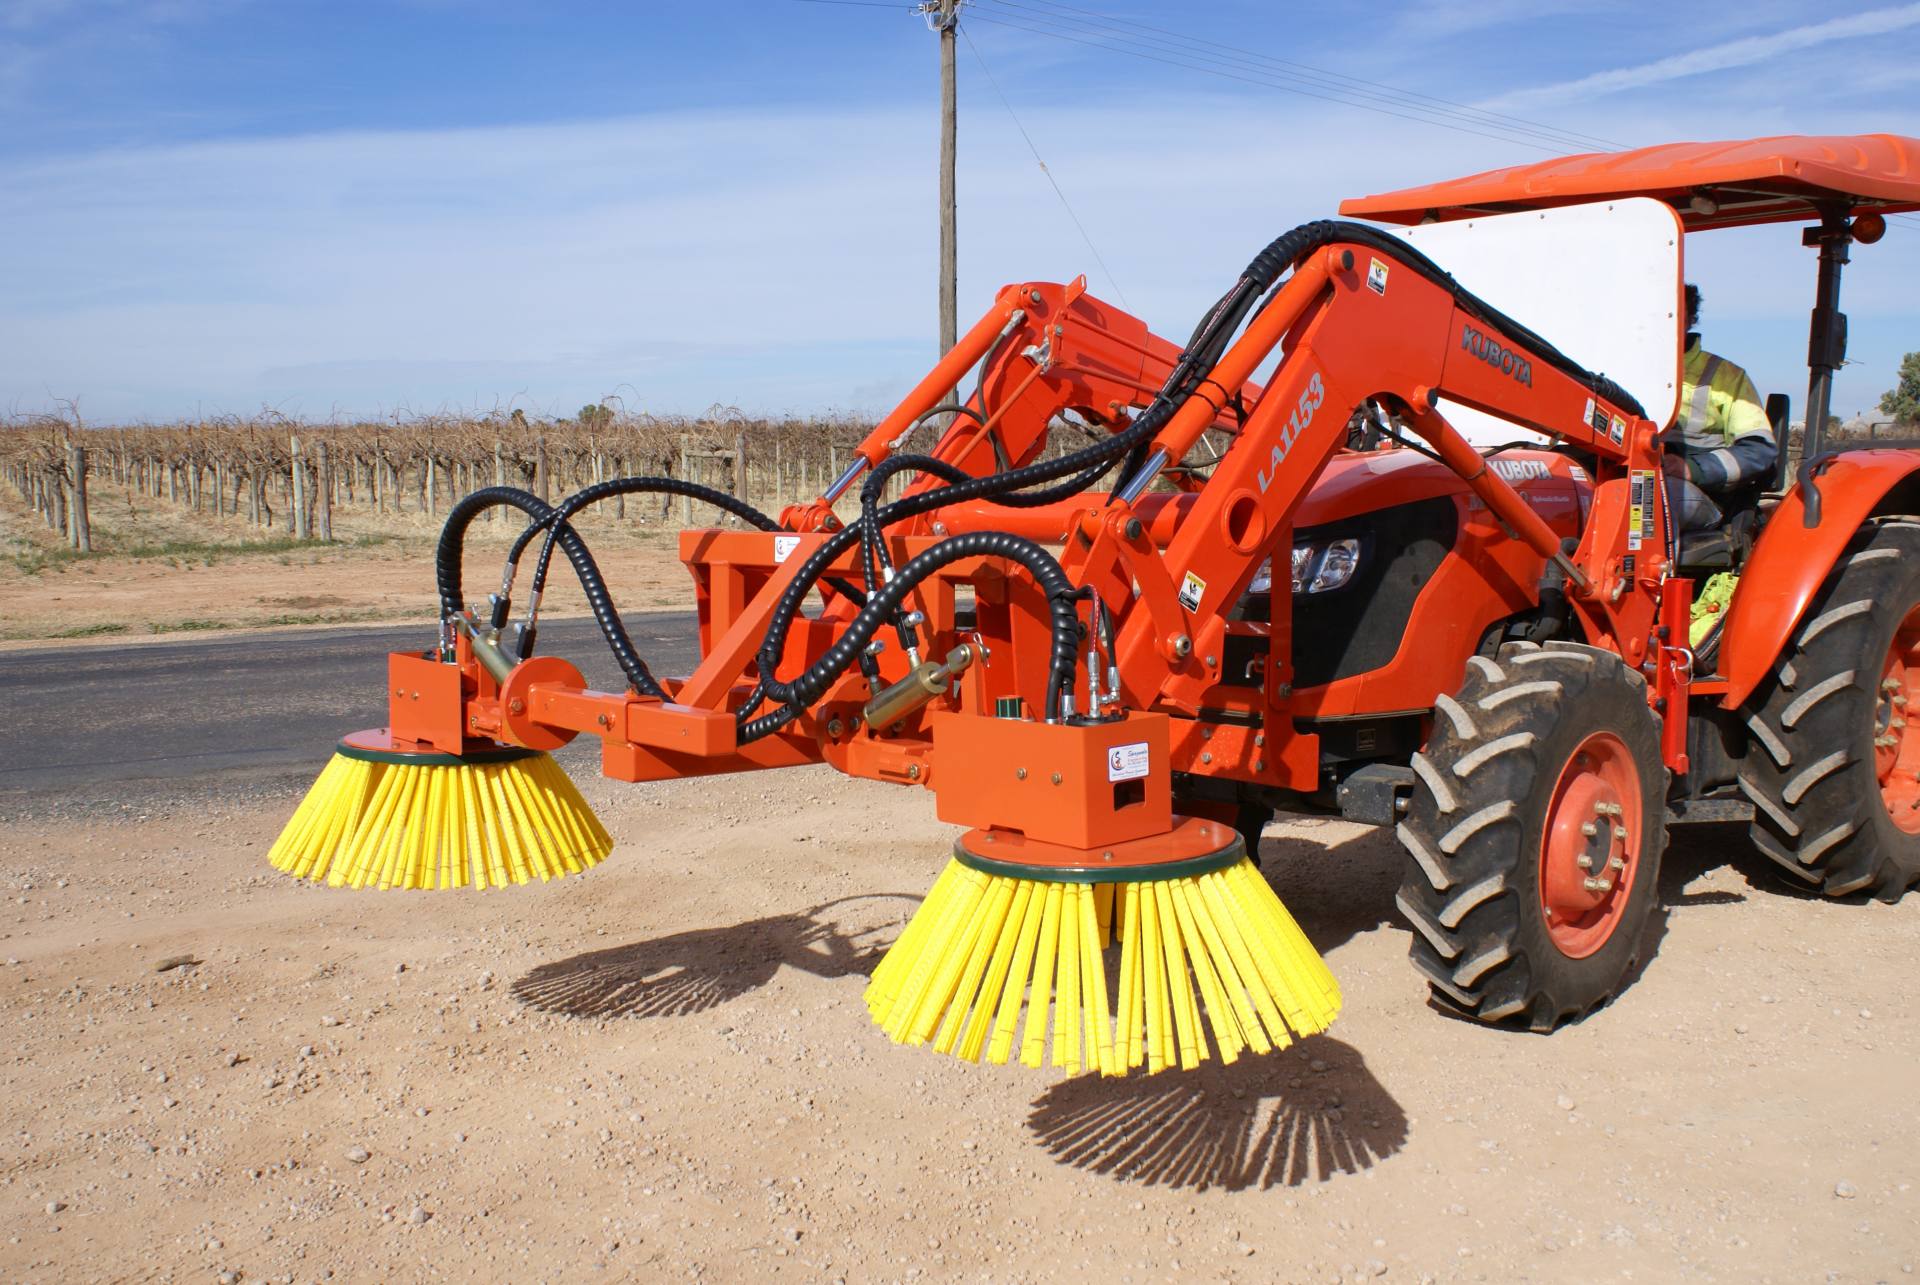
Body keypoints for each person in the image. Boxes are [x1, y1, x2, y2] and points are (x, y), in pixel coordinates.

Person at [1661, 284, 1778, 532]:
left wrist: (1693, 469)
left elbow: (1758, 451)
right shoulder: (1621, 374)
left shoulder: (1726, 377)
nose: (1663, 320)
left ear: (1690, 320)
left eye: (1672, 313)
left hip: (1702, 495)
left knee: (1648, 500)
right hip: (1624, 482)